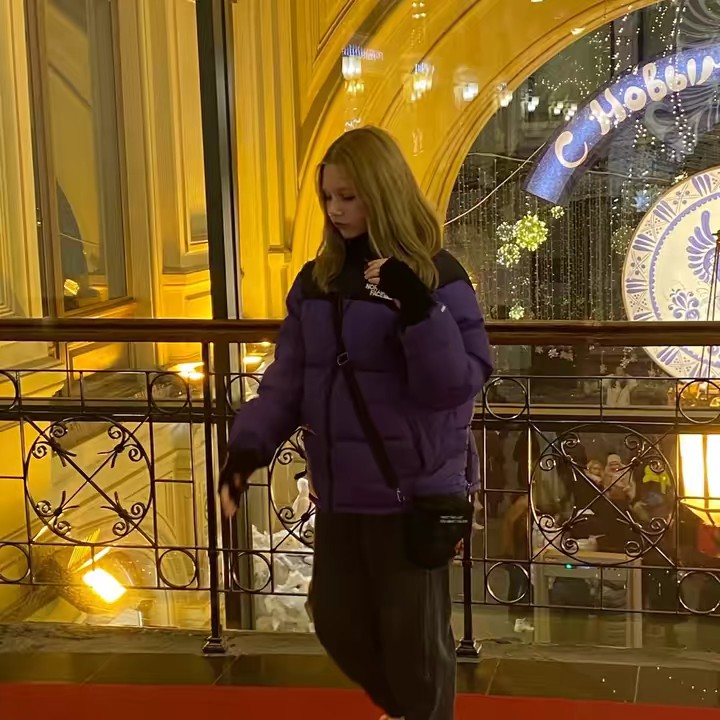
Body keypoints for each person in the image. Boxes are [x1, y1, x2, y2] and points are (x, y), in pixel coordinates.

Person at [219, 126, 493, 720]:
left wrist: (417, 307)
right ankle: (410, 713)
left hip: (412, 490)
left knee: (416, 647)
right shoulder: (317, 281)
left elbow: (454, 384)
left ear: (383, 192)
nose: (336, 210)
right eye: (328, 197)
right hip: (342, 489)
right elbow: (289, 378)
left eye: (349, 196)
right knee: (335, 619)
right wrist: (247, 449)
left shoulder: (437, 275)